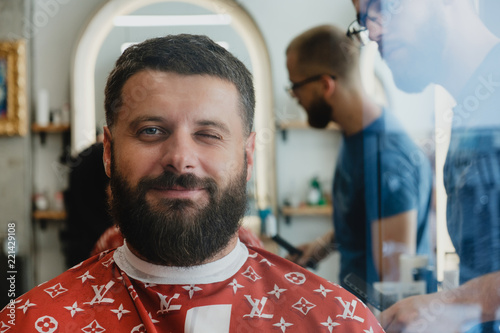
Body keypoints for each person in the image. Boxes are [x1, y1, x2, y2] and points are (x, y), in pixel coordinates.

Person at [0, 34, 383, 332]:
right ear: (108, 151)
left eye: (209, 133)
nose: (180, 158)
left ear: (248, 156)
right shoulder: (30, 324)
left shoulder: (339, 321)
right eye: (151, 130)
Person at [350, 0, 500, 331]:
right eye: (364, 20)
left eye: (383, 5)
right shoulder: (468, 118)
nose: (373, 30)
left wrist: (447, 304)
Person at [285, 25, 433, 288]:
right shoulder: (356, 136)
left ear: (325, 85)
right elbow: (363, 218)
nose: (294, 95)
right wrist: (320, 248)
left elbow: (395, 284)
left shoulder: (386, 160)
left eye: (295, 85)